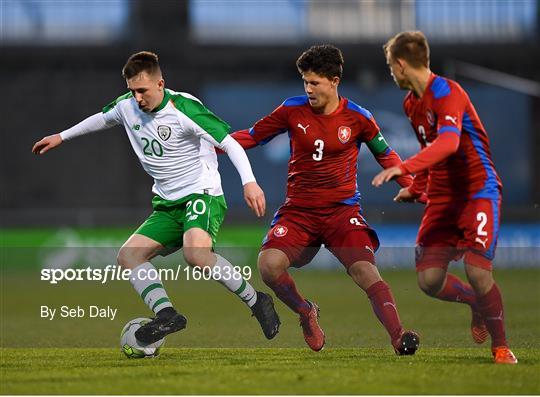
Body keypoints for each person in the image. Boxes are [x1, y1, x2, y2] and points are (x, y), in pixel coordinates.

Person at [32, 51, 280, 344]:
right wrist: (62, 136)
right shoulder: (127, 107)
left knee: (196, 254)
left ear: (160, 84)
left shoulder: (184, 108)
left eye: (142, 90)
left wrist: (249, 182)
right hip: (166, 202)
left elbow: (231, 144)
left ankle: (256, 301)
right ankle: (167, 315)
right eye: (132, 91)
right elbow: (102, 118)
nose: (137, 98)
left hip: (201, 193)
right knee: (128, 255)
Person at [227, 44, 419, 354]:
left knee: (365, 271)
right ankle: (305, 311)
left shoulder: (359, 118)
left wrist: (411, 184)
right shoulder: (291, 109)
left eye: (314, 82)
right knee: (268, 266)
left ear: (334, 80)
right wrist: (212, 144)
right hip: (299, 212)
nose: (308, 89)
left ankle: (399, 337)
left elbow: (387, 155)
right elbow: (251, 136)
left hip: (342, 213)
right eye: (305, 82)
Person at [372, 31, 517, 364]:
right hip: (442, 195)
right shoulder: (411, 104)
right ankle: (477, 304)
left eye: (391, 67)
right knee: (429, 280)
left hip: (477, 191)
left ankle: (502, 347)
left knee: (478, 272)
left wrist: (403, 168)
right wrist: (418, 187)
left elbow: (449, 144)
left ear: (401, 64)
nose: (391, 74)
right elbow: (431, 151)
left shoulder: (448, 92)